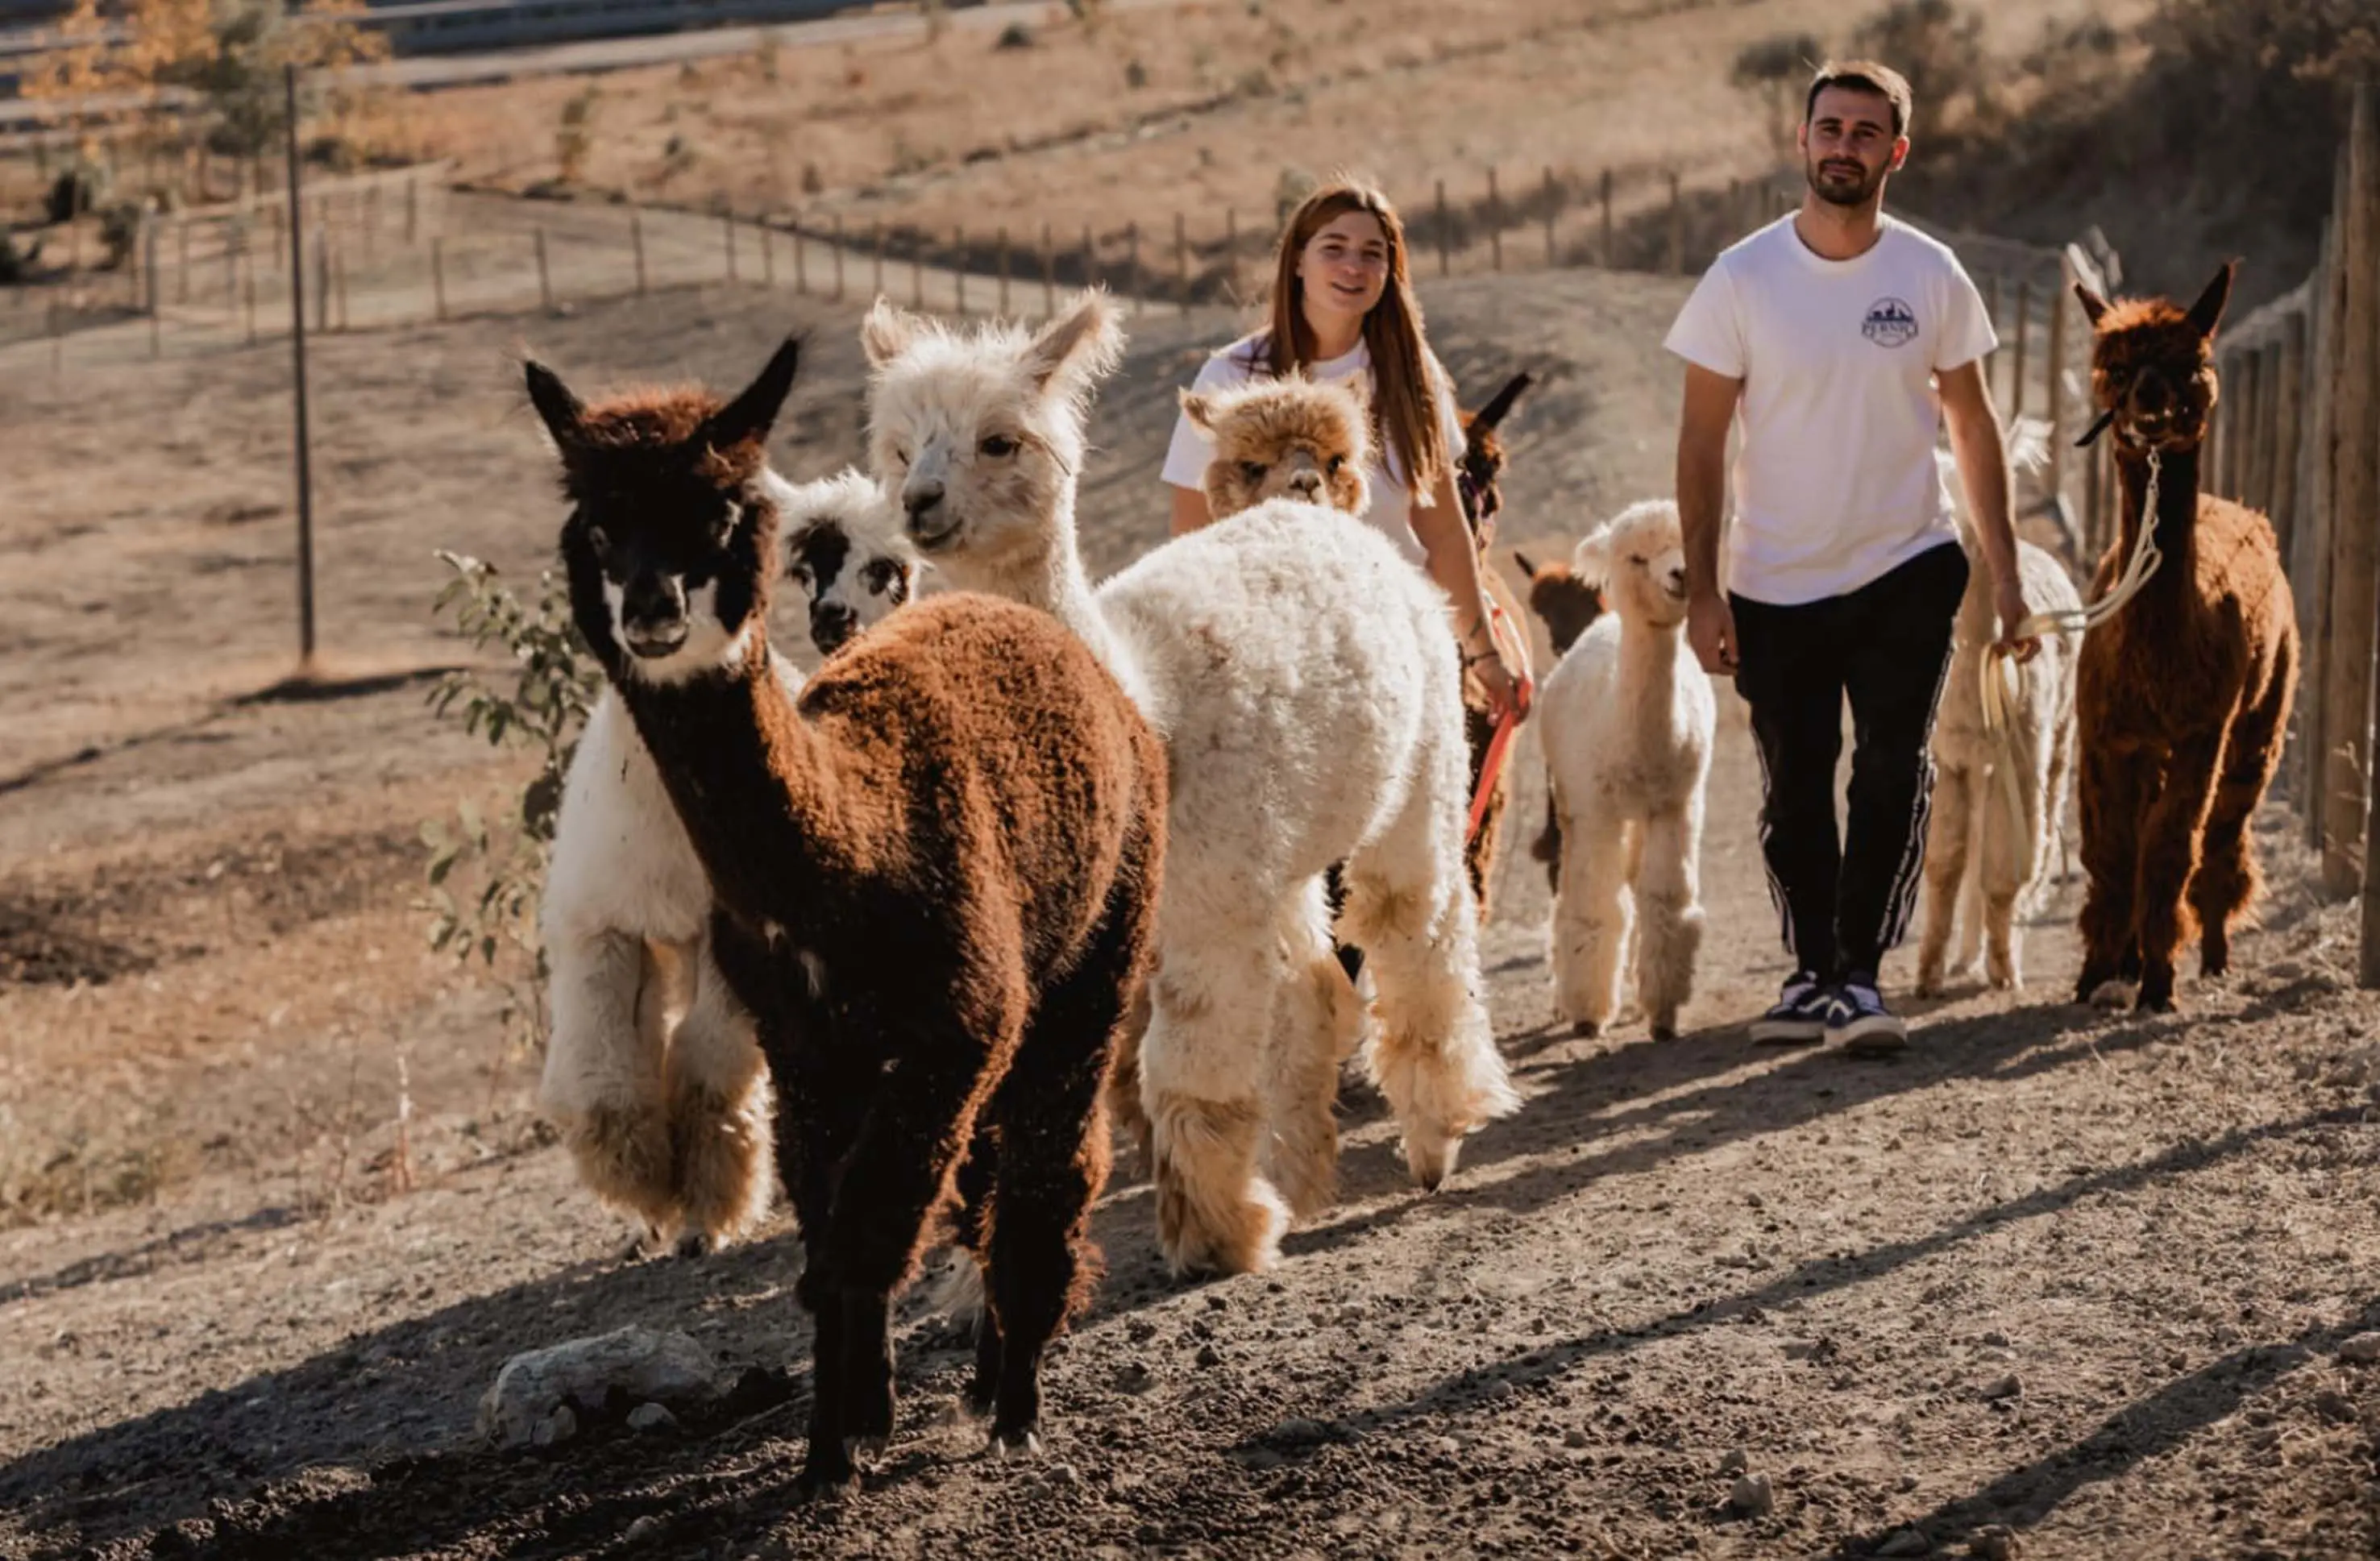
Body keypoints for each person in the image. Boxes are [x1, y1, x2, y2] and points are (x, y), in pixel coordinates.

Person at [1666, 60, 2037, 1055]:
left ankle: (1862, 978)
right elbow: (1701, 445)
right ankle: (1811, 971)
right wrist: (1705, 590)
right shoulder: (1741, 277)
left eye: (1865, 133)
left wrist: (2004, 577)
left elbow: (1973, 424)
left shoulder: (1928, 273)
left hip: (1905, 567)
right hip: (1774, 577)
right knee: (1795, 784)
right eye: (1828, 128)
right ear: (1801, 141)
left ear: (1895, 153)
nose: (1843, 146)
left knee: (1889, 769)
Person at [1161, 179, 1531, 724]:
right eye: (1333, 248)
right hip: (1271, 648)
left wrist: (1484, 653)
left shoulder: (1411, 375)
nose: (1352, 267)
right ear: (1298, 263)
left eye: (1371, 254)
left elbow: (1443, 530)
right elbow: (1191, 535)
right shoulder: (1232, 377)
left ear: (1390, 272)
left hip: (1392, 636)